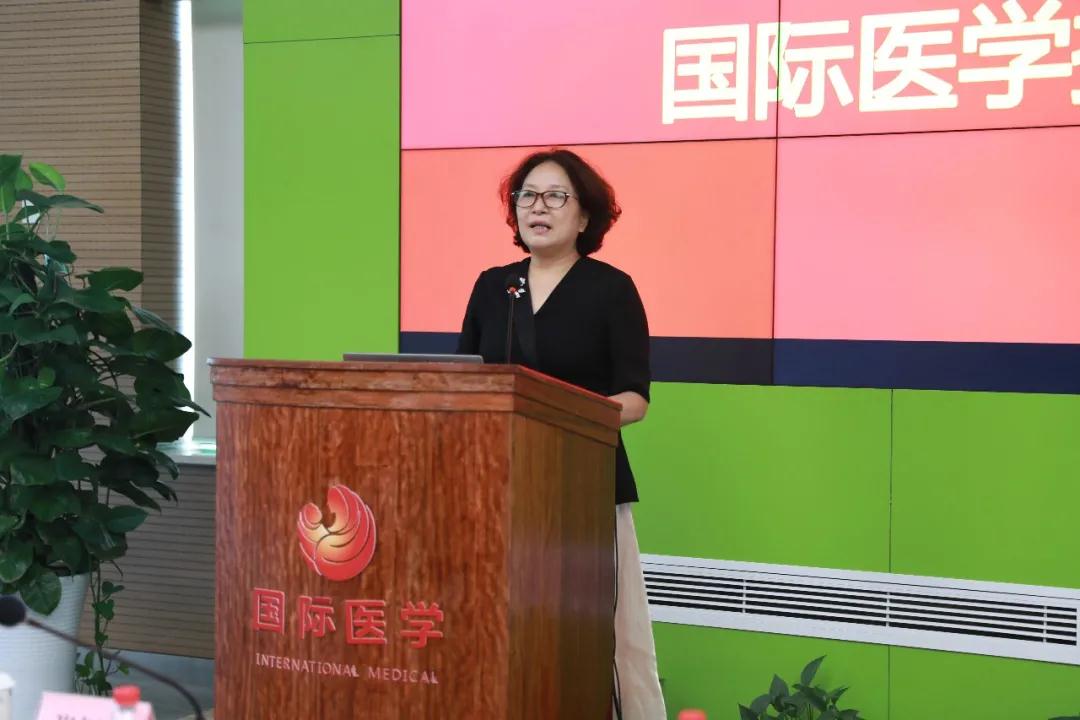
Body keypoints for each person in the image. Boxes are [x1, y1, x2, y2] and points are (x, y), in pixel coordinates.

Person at [456, 148, 666, 720]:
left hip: (584, 486)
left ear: (584, 216)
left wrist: (561, 415)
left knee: (601, 635)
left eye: (554, 196)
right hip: (499, 487)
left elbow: (634, 399)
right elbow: (464, 382)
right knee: (501, 623)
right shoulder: (493, 287)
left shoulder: (611, 289)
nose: (537, 207)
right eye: (527, 195)